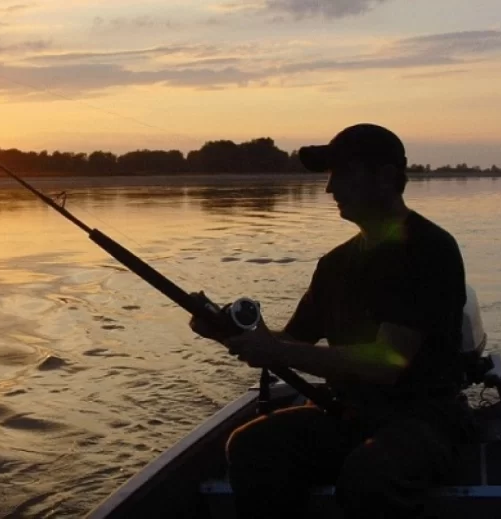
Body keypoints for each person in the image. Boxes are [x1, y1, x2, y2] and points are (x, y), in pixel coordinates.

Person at [190, 123, 476, 518]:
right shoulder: (335, 264)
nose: (329, 188)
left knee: (372, 473)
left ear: (386, 177)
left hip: (424, 418)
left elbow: (386, 364)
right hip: (347, 411)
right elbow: (291, 339)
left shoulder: (430, 250)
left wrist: (277, 349)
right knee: (252, 445)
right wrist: (224, 332)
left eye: (342, 174)